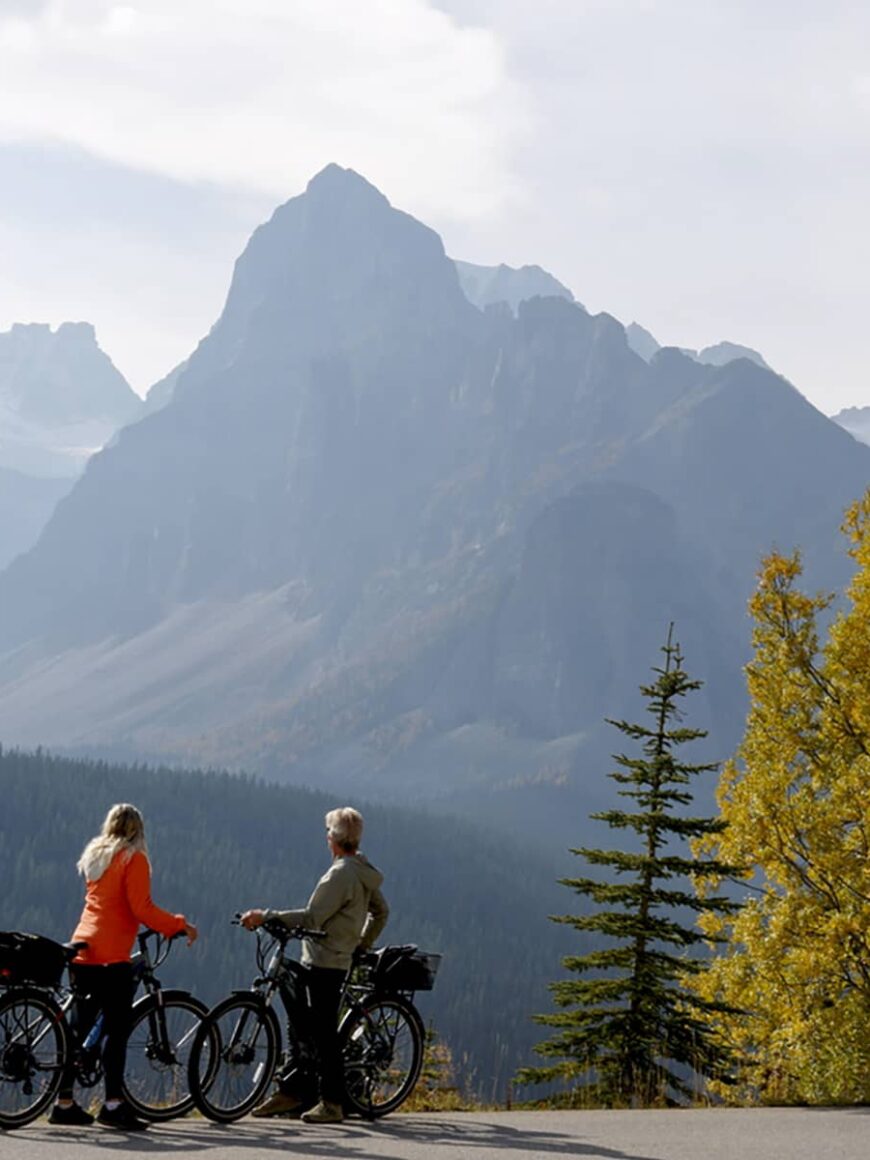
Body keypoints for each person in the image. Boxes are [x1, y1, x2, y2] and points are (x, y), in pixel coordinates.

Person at [50, 803, 197, 1131]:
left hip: (82, 949)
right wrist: (177, 925)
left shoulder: (95, 856)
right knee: (117, 1032)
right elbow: (141, 908)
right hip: (111, 954)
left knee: (77, 1031)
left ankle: (64, 1103)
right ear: (137, 831)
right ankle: (114, 1105)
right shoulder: (134, 858)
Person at [241, 806, 388, 1125]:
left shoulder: (341, 874)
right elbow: (381, 911)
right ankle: (293, 1091)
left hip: (326, 961)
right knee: (300, 1024)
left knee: (323, 1033)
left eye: (327, 833)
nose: (326, 838)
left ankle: (332, 1102)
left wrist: (265, 916)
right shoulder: (361, 869)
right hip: (329, 958)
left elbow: (311, 918)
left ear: (333, 838)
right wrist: (361, 944)